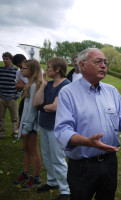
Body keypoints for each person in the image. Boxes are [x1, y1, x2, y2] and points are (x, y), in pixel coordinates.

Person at [54, 48, 121, 200]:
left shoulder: (111, 91)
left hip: (110, 162)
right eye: (98, 61)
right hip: (82, 166)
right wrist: (88, 142)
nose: (104, 65)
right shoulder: (68, 92)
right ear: (82, 65)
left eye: (105, 62)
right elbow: (62, 130)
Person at [33, 57, 70, 200]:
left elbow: (55, 107)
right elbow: (36, 103)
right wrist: (42, 85)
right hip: (45, 125)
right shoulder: (48, 85)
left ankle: (66, 190)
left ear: (57, 69)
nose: (46, 69)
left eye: (48, 67)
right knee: (47, 156)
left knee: (58, 159)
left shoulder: (66, 86)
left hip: (57, 128)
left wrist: (43, 107)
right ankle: (52, 182)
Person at [13, 59, 42, 190]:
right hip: (25, 122)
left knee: (33, 150)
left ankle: (36, 178)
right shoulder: (28, 84)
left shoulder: (34, 86)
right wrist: (20, 119)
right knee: (26, 149)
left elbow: (32, 110)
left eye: (23, 68)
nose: (21, 70)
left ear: (31, 70)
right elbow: (24, 106)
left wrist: (26, 127)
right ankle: (25, 173)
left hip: (30, 125)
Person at [0, 52, 20, 139]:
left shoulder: (16, 71)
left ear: (11, 60)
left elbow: (20, 84)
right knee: (0, 117)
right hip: (1, 98)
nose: (5, 60)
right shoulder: (0, 70)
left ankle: (15, 133)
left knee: (15, 118)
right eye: (4, 58)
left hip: (12, 98)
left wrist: (17, 95)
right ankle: (1, 133)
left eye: (7, 59)